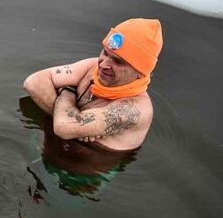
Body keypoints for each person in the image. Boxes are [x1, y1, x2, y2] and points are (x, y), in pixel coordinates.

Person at [23, 18, 163, 151]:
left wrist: (66, 92)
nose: (103, 64)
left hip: (80, 173)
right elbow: (33, 82)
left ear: (140, 72)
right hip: (46, 145)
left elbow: (64, 127)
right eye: (105, 53)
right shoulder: (92, 67)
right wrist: (77, 127)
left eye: (118, 62)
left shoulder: (134, 109)